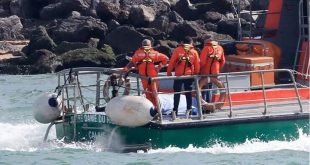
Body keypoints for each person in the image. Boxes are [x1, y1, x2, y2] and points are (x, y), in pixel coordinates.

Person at [124, 39, 169, 110]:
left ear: (142, 45)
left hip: (144, 77)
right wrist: (159, 67)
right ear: (150, 45)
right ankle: (157, 110)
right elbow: (166, 59)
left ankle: (151, 110)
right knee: (154, 93)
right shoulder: (154, 53)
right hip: (153, 76)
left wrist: (126, 69)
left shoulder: (138, 53)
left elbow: (131, 62)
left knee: (148, 93)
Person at [167, 36, 200, 119]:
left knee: (177, 93)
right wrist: (195, 74)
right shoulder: (194, 52)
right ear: (191, 43)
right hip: (189, 76)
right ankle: (189, 110)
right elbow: (197, 65)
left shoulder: (177, 50)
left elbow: (171, 62)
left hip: (178, 75)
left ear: (182, 42)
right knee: (188, 93)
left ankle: (175, 111)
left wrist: (169, 72)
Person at [199, 35, 225, 102]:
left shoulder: (206, 48)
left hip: (205, 72)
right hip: (215, 72)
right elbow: (223, 61)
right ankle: (209, 104)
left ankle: (205, 106)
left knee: (204, 89)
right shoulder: (220, 48)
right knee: (210, 89)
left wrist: (198, 70)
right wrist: (218, 69)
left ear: (206, 41)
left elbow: (202, 62)